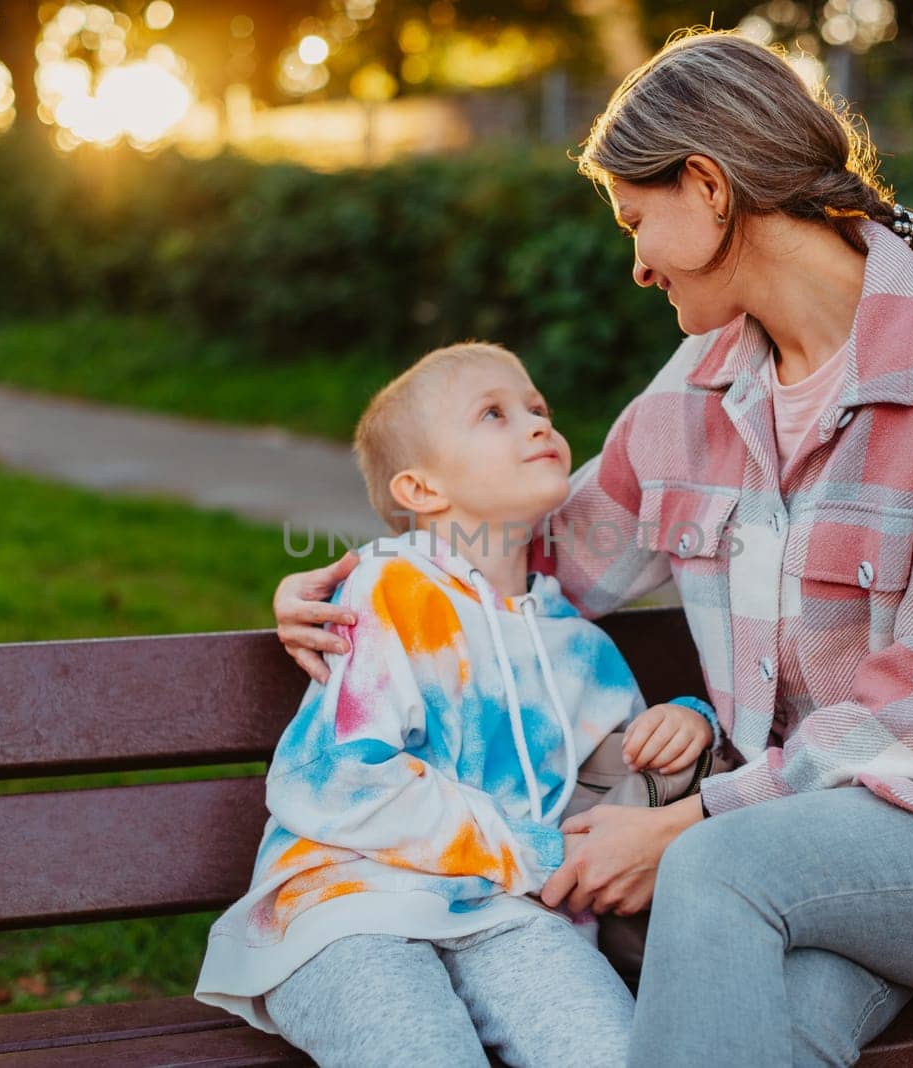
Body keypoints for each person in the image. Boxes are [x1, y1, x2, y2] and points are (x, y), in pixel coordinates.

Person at [268, 30, 913, 1067]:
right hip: (807, 863)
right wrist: (367, 579)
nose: (636, 265)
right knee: (768, 1030)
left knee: (708, 876)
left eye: (638, 222)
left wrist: (695, 817)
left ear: (708, 187)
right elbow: (542, 553)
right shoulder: (697, 391)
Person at [194, 341, 717, 1067]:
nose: (538, 425)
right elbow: (343, 776)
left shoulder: (578, 644)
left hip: (507, 913)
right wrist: (532, 852)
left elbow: (615, 791)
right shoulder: (390, 592)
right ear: (420, 490)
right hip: (346, 906)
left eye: (539, 410)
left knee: (611, 1054)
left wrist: (691, 720)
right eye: (495, 414)